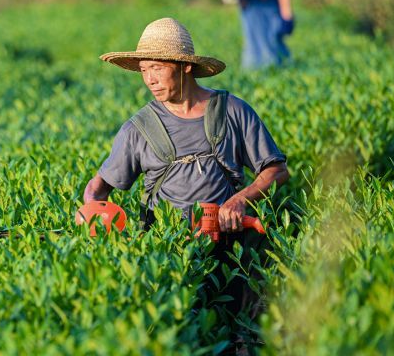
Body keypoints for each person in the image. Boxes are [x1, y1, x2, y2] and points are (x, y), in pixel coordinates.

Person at [84, 17, 289, 348]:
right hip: (169, 259)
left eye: (157, 68)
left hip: (232, 257)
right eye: (144, 69)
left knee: (242, 340)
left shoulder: (232, 111)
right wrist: (91, 217)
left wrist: (240, 200)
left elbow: (276, 170)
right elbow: (97, 188)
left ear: (185, 67)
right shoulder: (138, 129)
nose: (149, 79)